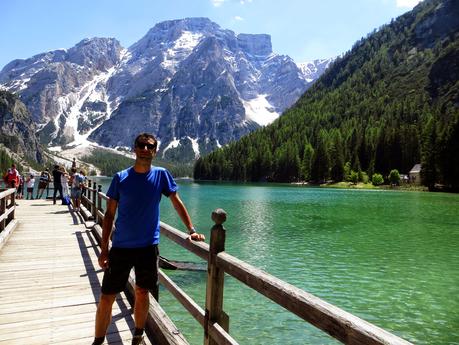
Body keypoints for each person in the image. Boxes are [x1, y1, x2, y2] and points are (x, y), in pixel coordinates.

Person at [92, 133, 205, 345]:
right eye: (141, 145)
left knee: (143, 292)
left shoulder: (162, 175)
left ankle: (138, 334)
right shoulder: (120, 178)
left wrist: (191, 230)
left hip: (147, 248)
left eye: (150, 146)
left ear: (155, 151)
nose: (145, 149)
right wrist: (104, 248)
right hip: (121, 248)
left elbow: (176, 202)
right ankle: (98, 341)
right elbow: (109, 215)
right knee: (107, 296)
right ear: (134, 149)